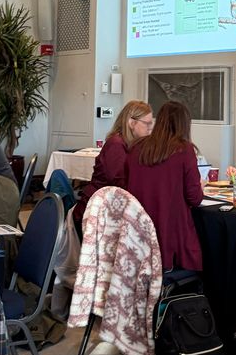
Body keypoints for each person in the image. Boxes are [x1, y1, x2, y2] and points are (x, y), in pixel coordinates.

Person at [124, 101, 203, 272]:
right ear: (184, 125)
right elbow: (194, 198)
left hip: (136, 232)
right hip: (170, 234)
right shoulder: (184, 150)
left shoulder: (137, 147)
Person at [73, 100, 154, 226]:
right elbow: (120, 184)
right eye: (147, 123)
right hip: (95, 214)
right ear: (132, 123)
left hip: (108, 209)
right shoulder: (116, 145)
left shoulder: (130, 145)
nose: (150, 128)